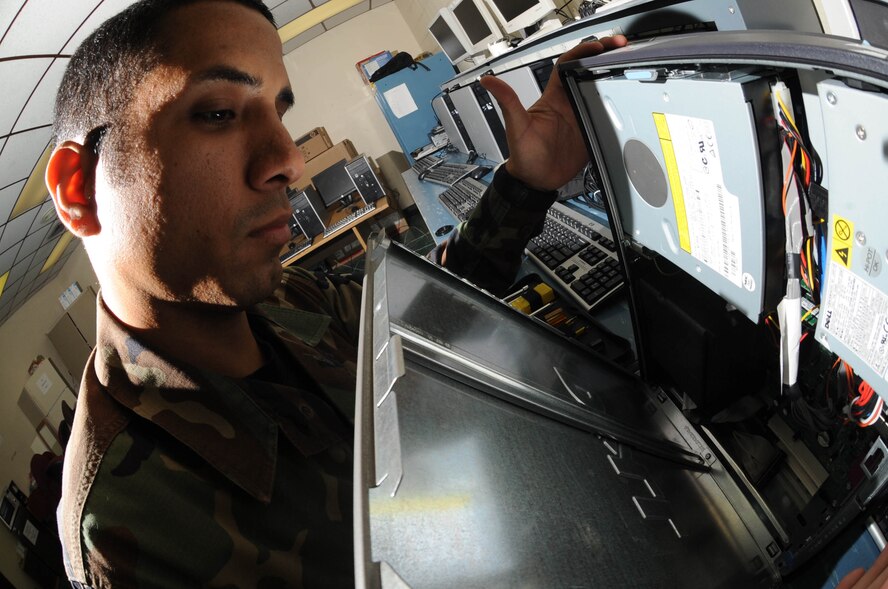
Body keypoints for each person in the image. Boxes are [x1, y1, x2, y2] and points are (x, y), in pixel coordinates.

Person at [46, 0, 627, 586]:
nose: (288, 161)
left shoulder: (289, 301)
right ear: (79, 188)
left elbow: (428, 310)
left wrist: (527, 183)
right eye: (220, 113)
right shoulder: (127, 528)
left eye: (278, 111)